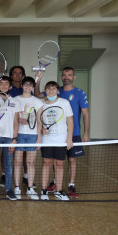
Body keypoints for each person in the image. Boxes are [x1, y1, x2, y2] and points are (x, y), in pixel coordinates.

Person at [35, 67, 90, 198]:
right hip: (51, 137)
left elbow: (85, 114)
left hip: (73, 133)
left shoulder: (79, 93)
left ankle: (71, 185)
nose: (66, 77)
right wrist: (38, 79)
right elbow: (37, 95)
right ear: (61, 77)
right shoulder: (54, 90)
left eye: (69, 75)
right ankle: (54, 183)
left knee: (71, 160)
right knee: (52, 161)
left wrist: (86, 132)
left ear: (74, 77)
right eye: (64, 75)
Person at [0, 66, 32, 187]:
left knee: (22, 152)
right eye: (15, 73)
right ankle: (4, 174)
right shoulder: (6, 89)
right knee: (6, 151)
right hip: (8, 127)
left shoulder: (26, 89)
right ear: (11, 75)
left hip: (24, 128)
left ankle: (26, 175)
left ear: (23, 75)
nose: (17, 75)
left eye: (20, 73)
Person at [38, 81, 73, 201]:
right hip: (47, 140)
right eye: (48, 89)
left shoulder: (64, 103)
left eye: (53, 89)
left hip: (61, 139)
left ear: (57, 91)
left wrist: (69, 139)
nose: (51, 91)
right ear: (45, 91)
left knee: (59, 165)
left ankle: (58, 191)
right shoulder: (41, 105)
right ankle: (43, 190)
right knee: (46, 163)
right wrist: (42, 129)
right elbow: (39, 123)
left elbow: (70, 122)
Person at [0, 76, 20, 201]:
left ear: (10, 87)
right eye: (2, 84)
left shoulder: (15, 101)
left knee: (8, 165)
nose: (4, 86)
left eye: (7, 84)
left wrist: (14, 139)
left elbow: (16, 122)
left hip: (9, 138)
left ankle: (8, 189)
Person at [12, 77, 43, 200]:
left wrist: (39, 138)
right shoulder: (15, 100)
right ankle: (17, 187)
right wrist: (19, 120)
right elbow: (11, 119)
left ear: (32, 87)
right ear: (22, 86)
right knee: (18, 162)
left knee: (31, 163)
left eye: (30, 85)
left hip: (32, 135)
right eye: (25, 84)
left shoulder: (38, 102)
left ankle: (30, 188)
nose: (28, 87)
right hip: (18, 135)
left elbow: (40, 121)